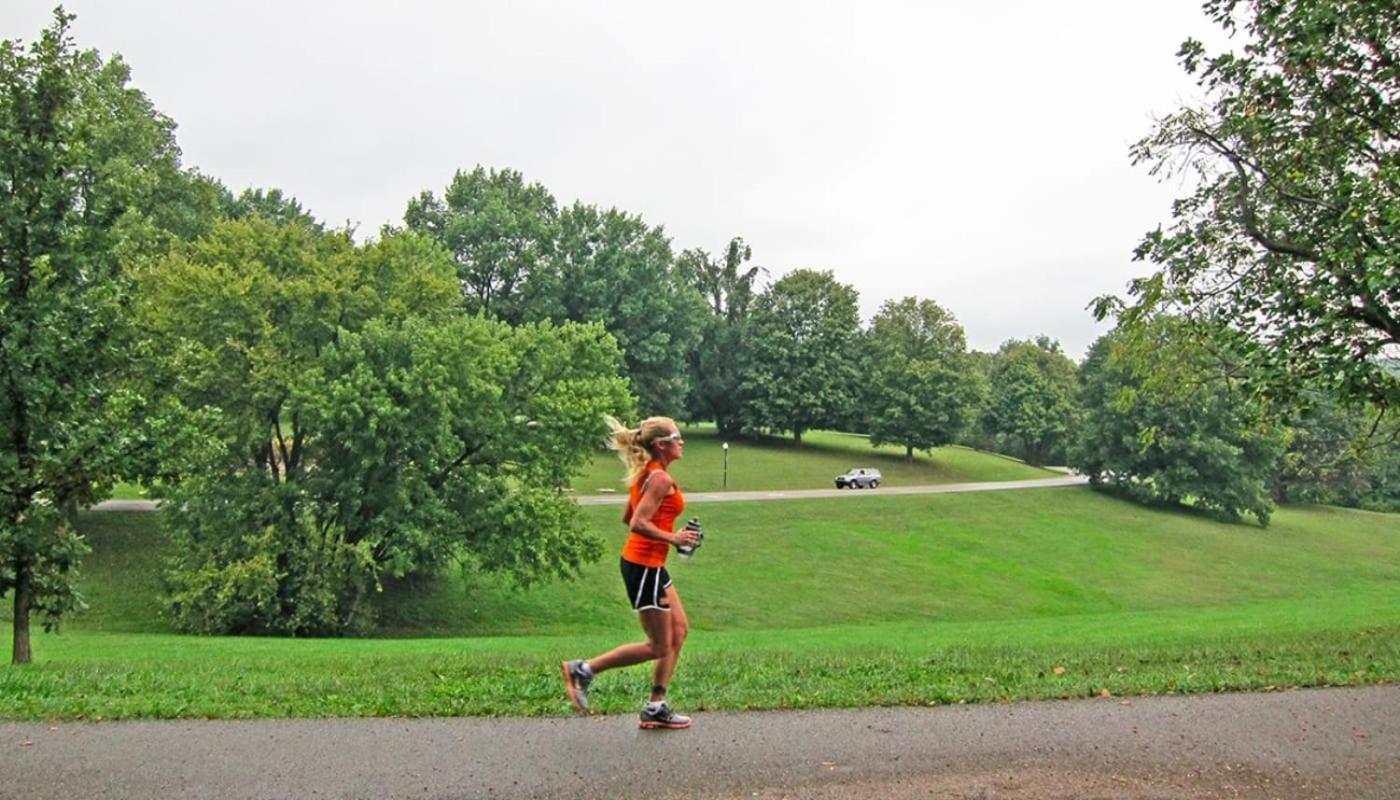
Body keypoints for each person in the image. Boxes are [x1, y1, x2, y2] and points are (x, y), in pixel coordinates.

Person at [561, 415, 701, 729]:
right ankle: (582, 669)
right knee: (658, 645)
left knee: (679, 632)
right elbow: (638, 522)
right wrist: (672, 537)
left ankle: (656, 706)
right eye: (677, 437)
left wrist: (667, 533)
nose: (682, 442)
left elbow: (630, 517)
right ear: (662, 444)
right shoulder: (659, 478)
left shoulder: (649, 474)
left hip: (651, 564)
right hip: (643, 567)